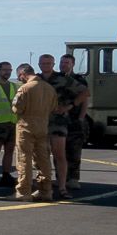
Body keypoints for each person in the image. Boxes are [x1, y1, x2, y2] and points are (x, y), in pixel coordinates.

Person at [39, 54, 82, 200]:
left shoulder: (63, 79)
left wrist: (69, 106)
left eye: (48, 63)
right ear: (39, 64)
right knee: (41, 157)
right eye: (43, 63)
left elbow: (84, 93)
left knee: (60, 155)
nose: (45, 65)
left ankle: (63, 187)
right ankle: (44, 186)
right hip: (40, 122)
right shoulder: (36, 79)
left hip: (58, 122)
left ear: (53, 64)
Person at [12, 64, 57, 203]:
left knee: (24, 158)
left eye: (20, 77)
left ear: (23, 74)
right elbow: (53, 108)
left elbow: (17, 108)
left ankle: (24, 191)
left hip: (26, 127)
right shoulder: (49, 88)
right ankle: (46, 191)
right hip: (43, 126)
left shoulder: (25, 88)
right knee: (43, 160)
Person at [58, 54, 91, 187]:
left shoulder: (79, 80)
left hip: (74, 118)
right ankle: (61, 178)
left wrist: (81, 118)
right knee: (59, 151)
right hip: (58, 119)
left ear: (72, 64)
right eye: (62, 62)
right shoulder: (56, 78)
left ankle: (73, 178)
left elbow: (85, 98)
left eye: (66, 62)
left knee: (74, 150)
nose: (63, 65)